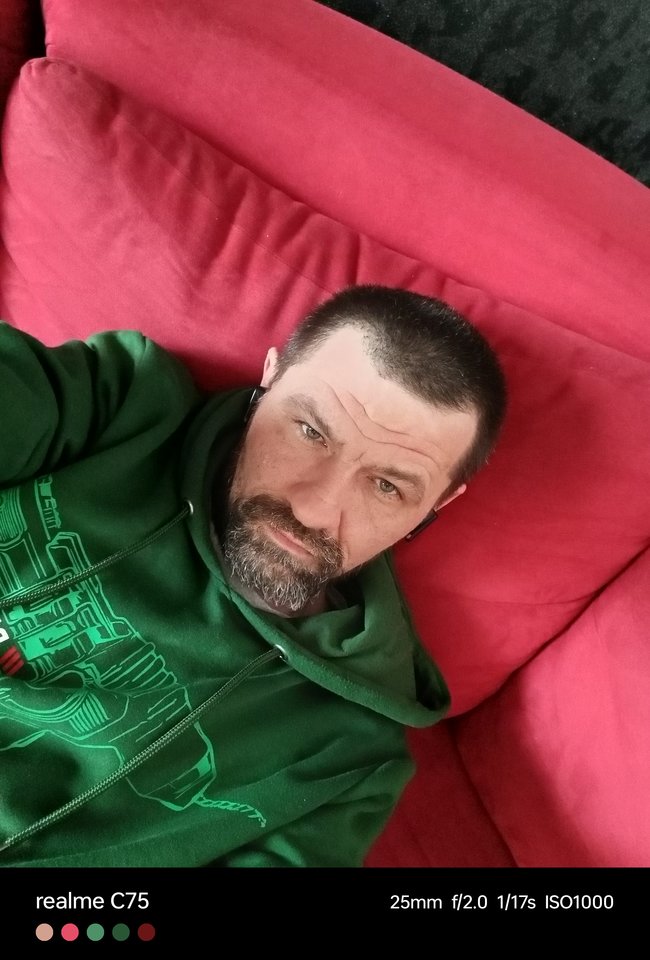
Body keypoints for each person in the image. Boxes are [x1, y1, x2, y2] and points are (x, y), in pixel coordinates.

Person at [0, 284, 506, 868]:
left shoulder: (349, 761)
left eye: (387, 486)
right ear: (269, 378)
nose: (315, 509)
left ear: (438, 505)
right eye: (311, 431)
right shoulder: (119, 402)